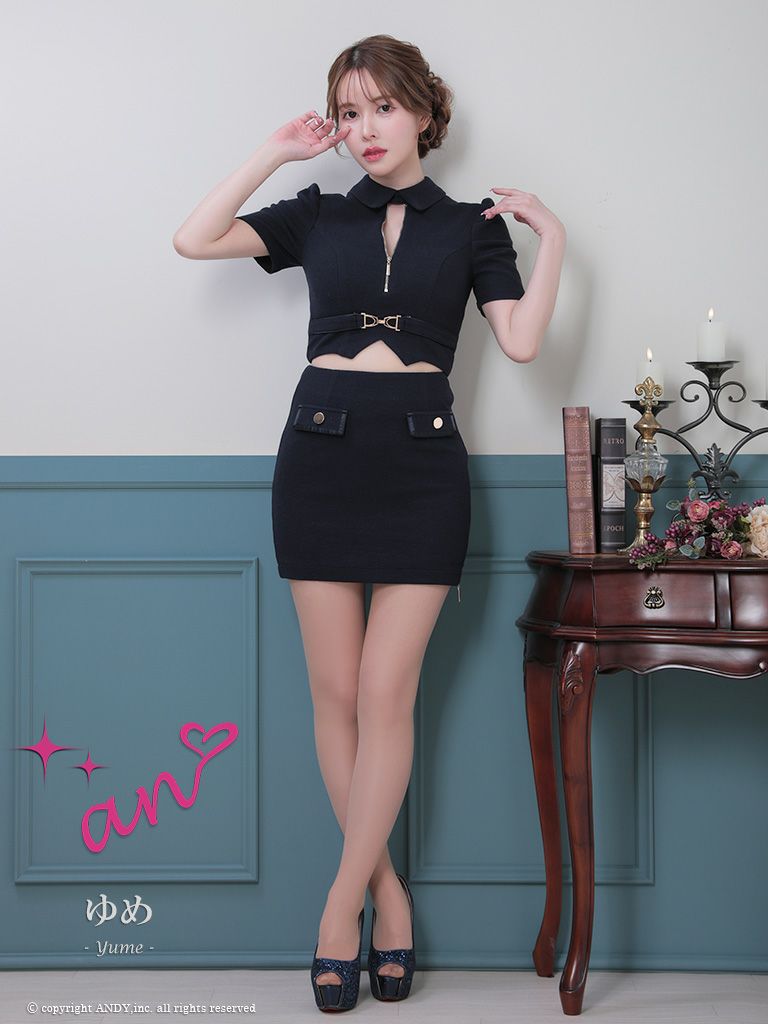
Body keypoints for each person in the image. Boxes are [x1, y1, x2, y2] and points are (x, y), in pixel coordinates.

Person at [173, 32, 566, 1014]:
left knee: (388, 695)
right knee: (337, 694)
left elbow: (520, 342)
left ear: (425, 111)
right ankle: (388, 898)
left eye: (382, 107)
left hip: (424, 467)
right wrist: (277, 151)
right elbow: (194, 238)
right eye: (349, 113)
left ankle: (335, 910)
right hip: (319, 456)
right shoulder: (316, 213)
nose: (365, 128)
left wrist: (553, 237)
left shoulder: (473, 227)